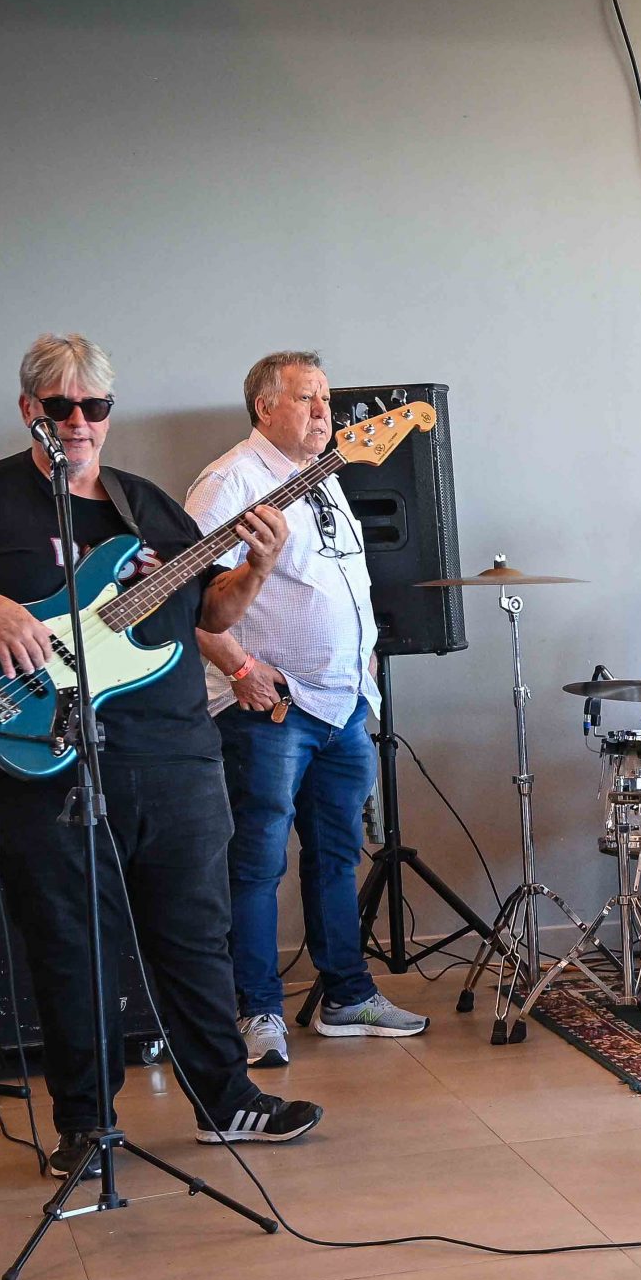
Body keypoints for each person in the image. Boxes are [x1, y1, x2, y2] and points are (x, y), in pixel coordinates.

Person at [0, 334, 325, 1177]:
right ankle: (85, 1124)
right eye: (61, 406)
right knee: (69, 944)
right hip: (45, 761)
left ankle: (226, 1100)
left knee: (195, 935)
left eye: (95, 406)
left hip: (173, 758)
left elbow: (210, 615)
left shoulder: (145, 507)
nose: (79, 422)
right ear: (31, 410)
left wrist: (259, 568)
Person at [189, 351, 426, 1069]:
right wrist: (240, 668)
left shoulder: (322, 477)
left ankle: (346, 996)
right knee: (257, 863)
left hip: (342, 704)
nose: (325, 411)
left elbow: (336, 582)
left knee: (335, 858)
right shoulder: (229, 481)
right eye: (306, 398)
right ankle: (257, 1010)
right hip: (270, 707)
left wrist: (364, 655)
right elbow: (188, 600)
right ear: (265, 407)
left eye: (326, 398)